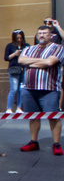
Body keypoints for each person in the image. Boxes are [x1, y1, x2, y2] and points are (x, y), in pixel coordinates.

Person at [18, 24, 63, 155]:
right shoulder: (29, 48)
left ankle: (56, 143)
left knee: (53, 116)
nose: (42, 35)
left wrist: (30, 63)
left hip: (49, 89)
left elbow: (50, 63)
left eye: (44, 33)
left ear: (51, 36)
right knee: (33, 116)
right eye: (40, 33)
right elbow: (21, 60)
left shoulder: (58, 48)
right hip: (29, 89)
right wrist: (41, 61)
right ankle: (34, 142)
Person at [5, 30, 29, 113]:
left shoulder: (26, 46)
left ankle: (19, 107)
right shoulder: (10, 46)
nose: (19, 40)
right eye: (17, 38)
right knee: (13, 89)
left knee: (21, 89)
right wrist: (15, 54)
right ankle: (9, 108)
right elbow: (6, 58)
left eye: (20, 38)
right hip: (14, 69)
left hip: (24, 68)